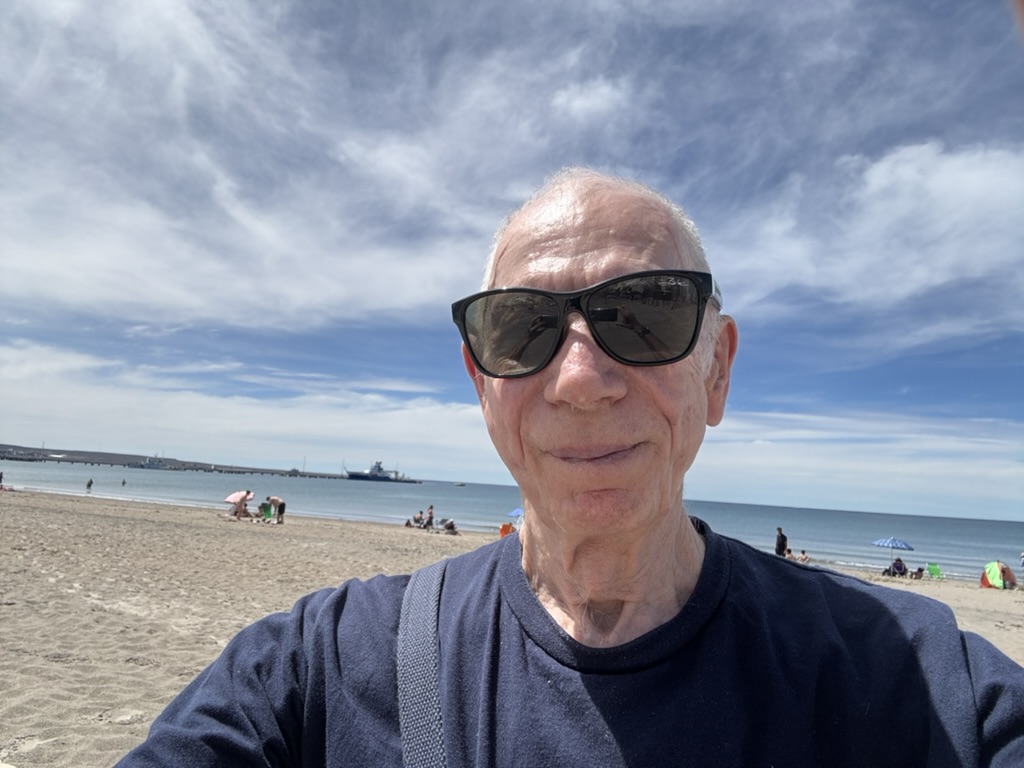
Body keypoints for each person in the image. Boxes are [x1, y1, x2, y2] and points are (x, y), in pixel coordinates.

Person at [116, 169, 1024, 766]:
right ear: (481, 382)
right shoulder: (321, 666)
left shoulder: (916, 683)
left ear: (718, 369)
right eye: (522, 330)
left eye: (645, 313)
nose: (582, 379)